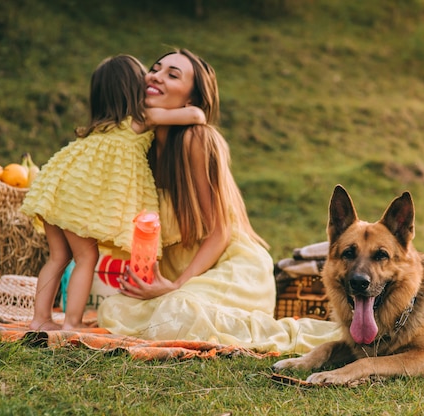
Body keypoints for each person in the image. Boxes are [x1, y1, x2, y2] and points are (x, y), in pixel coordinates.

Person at [98, 49, 341, 353]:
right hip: (180, 274)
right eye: (155, 69)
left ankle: (332, 339)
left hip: (231, 267)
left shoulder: (195, 139)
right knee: (114, 309)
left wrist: (176, 286)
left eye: (172, 75)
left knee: (180, 309)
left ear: (190, 100)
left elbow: (219, 232)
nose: (157, 76)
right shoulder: (141, 146)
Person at [21, 54, 206, 331]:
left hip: (57, 188)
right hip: (77, 198)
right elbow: (196, 115)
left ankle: (40, 319)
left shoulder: (98, 127)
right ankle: (71, 323)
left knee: (58, 257)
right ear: (134, 89)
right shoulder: (141, 119)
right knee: (86, 258)